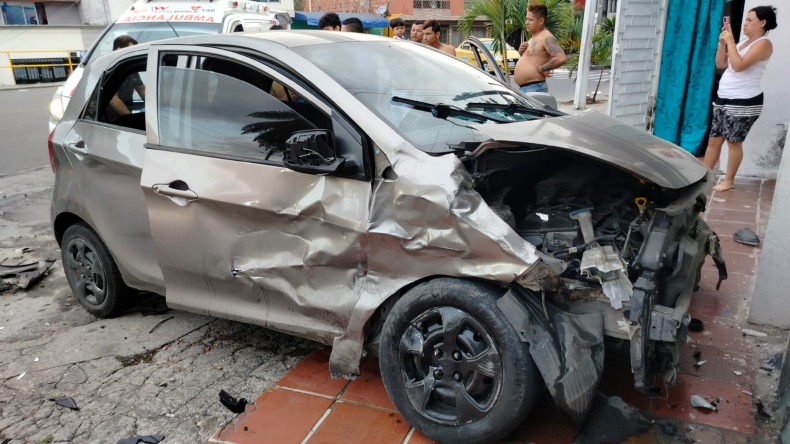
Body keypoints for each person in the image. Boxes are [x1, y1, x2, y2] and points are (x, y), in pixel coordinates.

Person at [703, 6, 778, 192]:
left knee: (733, 141)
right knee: (714, 140)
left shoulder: (763, 43)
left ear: (763, 22)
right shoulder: (743, 42)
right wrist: (723, 43)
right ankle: (704, 176)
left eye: (750, 20)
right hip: (724, 97)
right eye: (745, 19)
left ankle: (729, 181)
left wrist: (730, 42)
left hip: (744, 100)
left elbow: (738, 65)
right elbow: (721, 64)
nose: (745, 23)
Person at [514, 4, 567, 93]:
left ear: (541, 21)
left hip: (535, 87)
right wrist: (521, 52)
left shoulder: (547, 37)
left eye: (530, 20)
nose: (527, 22)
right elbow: (532, 60)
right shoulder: (533, 37)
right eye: (526, 19)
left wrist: (542, 68)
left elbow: (561, 58)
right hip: (527, 88)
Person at [107, 35, 145, 120]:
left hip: (127, 112)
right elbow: (113, 99)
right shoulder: (111, 67)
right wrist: (129, 118)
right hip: (112, 119)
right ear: (119, 49)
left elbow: (141, 89)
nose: (134, 53)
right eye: (131, 50)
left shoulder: (129, 66)